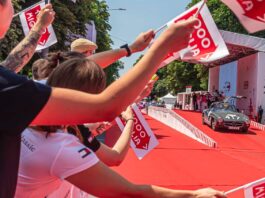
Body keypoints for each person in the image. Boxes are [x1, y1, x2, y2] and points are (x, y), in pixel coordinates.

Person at [1, 0, 223, 197]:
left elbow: (81, 71)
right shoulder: (60, 146)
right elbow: (128, 190)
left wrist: (131, 49)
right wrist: (162, 47)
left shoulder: (27, 93)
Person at [16, 58, 226, 198]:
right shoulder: (60, 146)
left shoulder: (21, 105)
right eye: (98, 98)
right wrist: (195, 195)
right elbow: (127, 186)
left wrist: (136, 94)